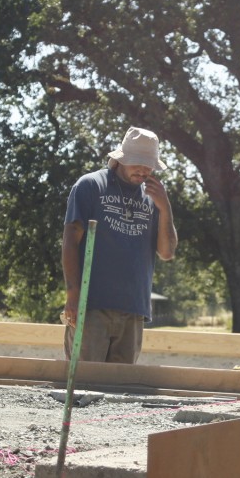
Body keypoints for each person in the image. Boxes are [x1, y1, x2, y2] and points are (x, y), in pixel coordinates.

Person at [62, 127, 178, 363]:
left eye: (149, 165)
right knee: (85, 382)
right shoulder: (91, 186)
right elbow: (70, 242)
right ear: (122, 158)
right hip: (92, 305)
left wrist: (165, 208)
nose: (144, 170)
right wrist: (73, 296)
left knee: (121, 392)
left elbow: (167, 252)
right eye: (138, 163)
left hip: (134, 308)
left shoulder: (153, 198)